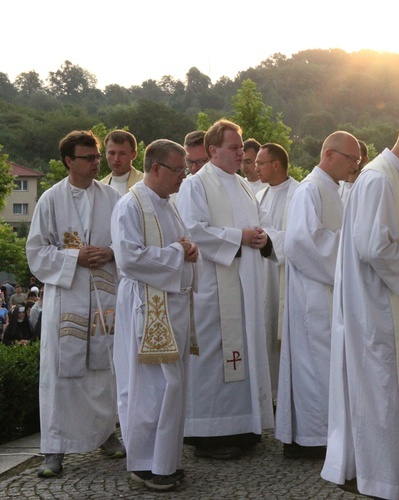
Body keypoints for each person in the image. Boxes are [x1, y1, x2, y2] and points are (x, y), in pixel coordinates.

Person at [321, 113, 399, 499]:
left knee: (387, 398)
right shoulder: (379, 180)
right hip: (380, 313)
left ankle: (394, 477)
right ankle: (387, 482)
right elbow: (374, 248)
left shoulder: (382, 177)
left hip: (381, 307)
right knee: (385, 400)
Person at [27, 130, 124, 478]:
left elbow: (127, 242)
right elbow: (36, 253)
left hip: (103, 298)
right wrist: (74, 258)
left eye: (98, 157)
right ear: (70, 161)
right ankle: (54, 448)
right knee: (60, 374)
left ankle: (106, 434)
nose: (98, 162)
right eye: (90, 157)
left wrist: (111, 252)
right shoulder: (50, 200)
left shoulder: (112, 197)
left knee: (102, 372)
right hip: (66, 297)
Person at [176, 119, 275, 460]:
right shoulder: (196, 185)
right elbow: (193, 230)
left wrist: (263, 237)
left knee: (243, 352)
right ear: (213, 151)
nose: (241, 153)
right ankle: (209, 433)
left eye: (242, 146)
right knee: (215, 360)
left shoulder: (246, 185)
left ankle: (244, 425)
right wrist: (240, 237)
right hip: (214, 289)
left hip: (245, 283)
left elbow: (260, 223)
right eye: (234, 148)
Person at [111, 139, 199, 492]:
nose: (183, 177)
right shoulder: (130, 206)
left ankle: (166, 462)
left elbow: (180, 247)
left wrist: (188, 250)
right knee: (150, 390)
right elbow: (129, 258)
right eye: (179, 170)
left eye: (185, 169)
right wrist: (179, 252)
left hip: (171, 305)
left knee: (171, 387)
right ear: (157, 168)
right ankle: (147, 465)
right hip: (144, 308)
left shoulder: (168, 205)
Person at [276, 131, 359, 459]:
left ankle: (325, 434)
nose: (354, 165)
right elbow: (302, 241)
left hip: (325, 289)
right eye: (350, 158)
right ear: (329, 154)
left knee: (324, 366)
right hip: (314, 294)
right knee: (316, 366)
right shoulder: (311, 189)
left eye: (356, 160)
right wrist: (349, 251)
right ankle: (313, 438)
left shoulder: (330, 188)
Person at [254, 142, 299, 400]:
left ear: (276, 164)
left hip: (285, 276)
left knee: (280, 333)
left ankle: (282, 393)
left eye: (261, 163)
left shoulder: (299, 193)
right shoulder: (259, 195)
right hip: (263, 274)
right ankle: (267, 393)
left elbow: (299, 237)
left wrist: (270, 241)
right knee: (266, 331)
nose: (256, 168)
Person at [101, 130, 144, 195]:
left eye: (122, 154)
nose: (116, 159)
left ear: (134, 155)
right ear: (106, 154)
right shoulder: (100, 187)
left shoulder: (145, 184)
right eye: (112, 153)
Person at [338, 139, 369, 207]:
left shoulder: (367, 187)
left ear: (365, 159)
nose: (352, 162)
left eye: (356, 159)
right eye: (349, 157)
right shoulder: (337, 185)